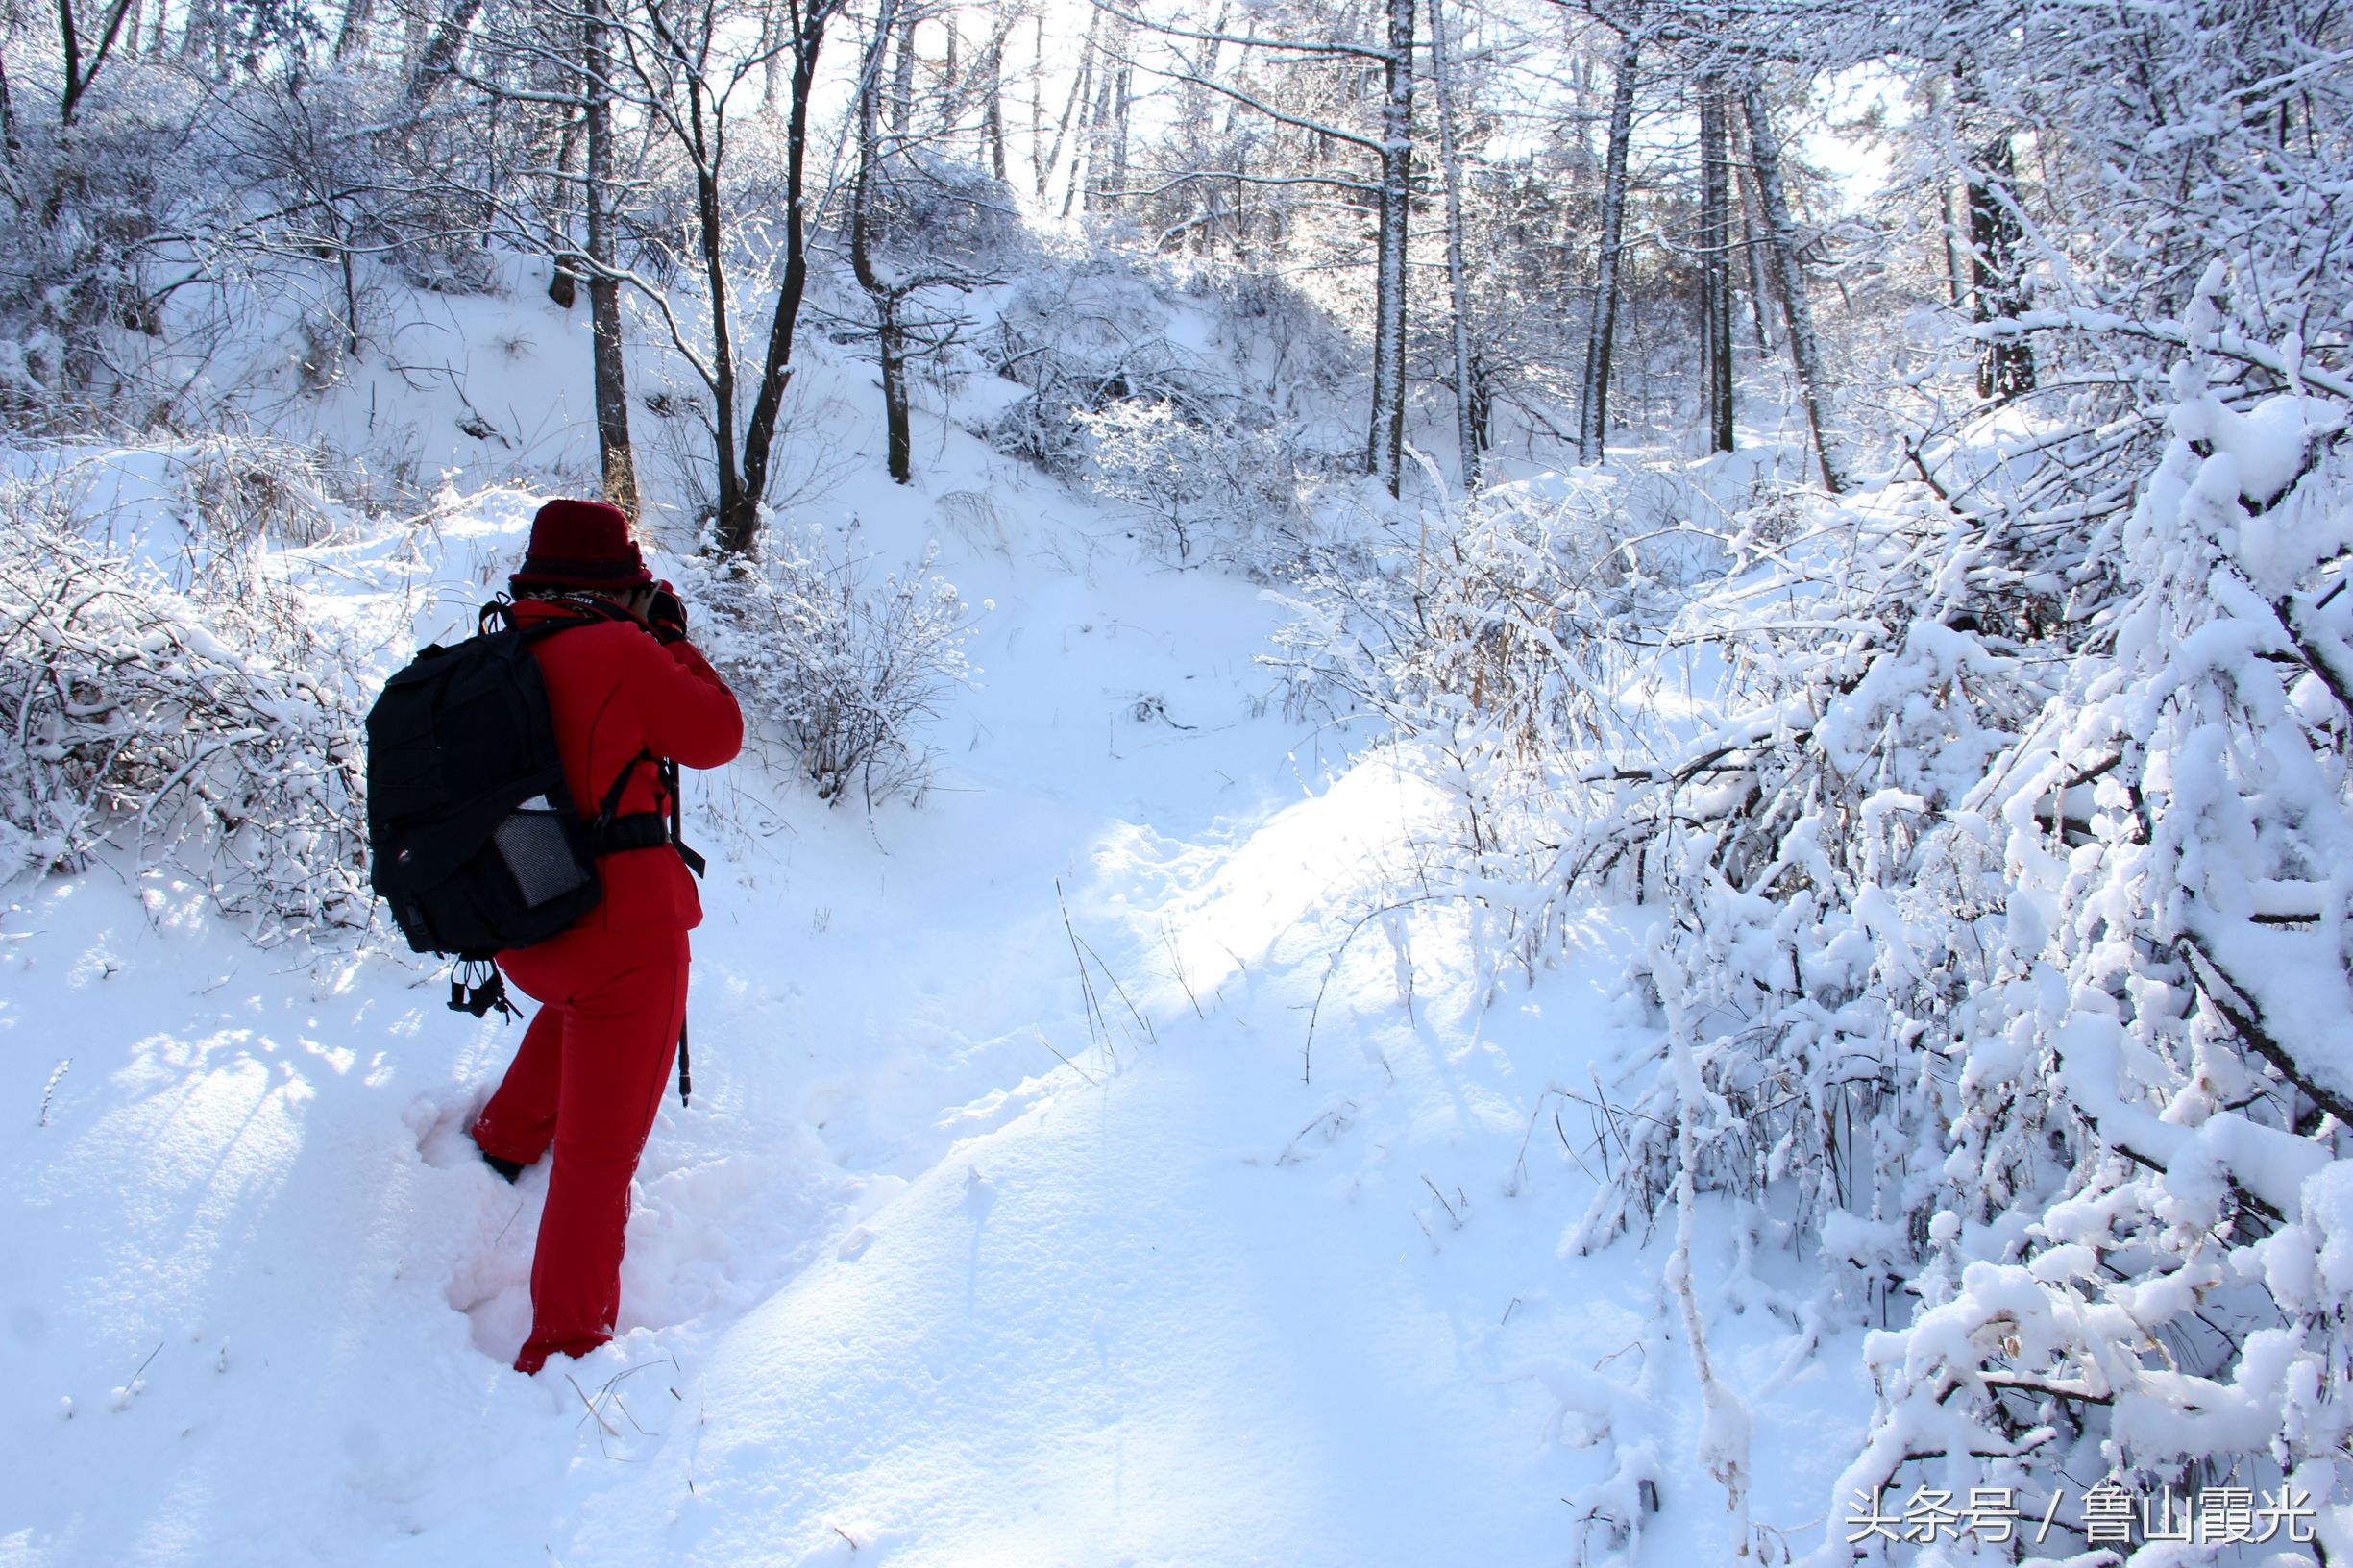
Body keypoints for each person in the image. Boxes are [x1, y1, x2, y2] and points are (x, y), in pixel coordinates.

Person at [466, 498, 743, 1376]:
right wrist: (670, 639)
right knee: (598, 1160)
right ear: (618, 587)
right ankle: (567, 1343)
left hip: (529, 921)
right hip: (626, 934)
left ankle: (505, 1138)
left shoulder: (497, 654)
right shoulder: (622, 651)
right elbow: (717, 734)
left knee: (585, 1005)